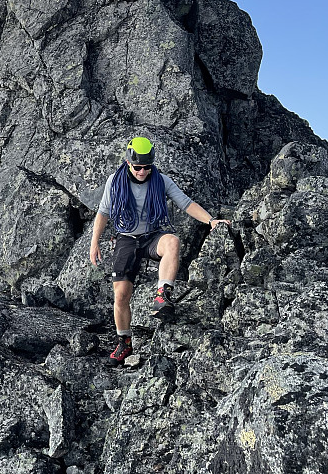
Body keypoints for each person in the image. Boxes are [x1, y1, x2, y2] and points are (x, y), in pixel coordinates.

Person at [89, 136, 230, 366]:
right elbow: (103, 213)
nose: (142, 172)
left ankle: (162, 295)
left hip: (151, 236)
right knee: (121, 295)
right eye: (137, 167)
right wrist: (94, 243)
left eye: (147, 167)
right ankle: (124, 343)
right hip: (126, 238)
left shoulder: (161, 181)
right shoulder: (114, 181)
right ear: (128, 163)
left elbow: (185, 203)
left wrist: (211, 220)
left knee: (172, 242)